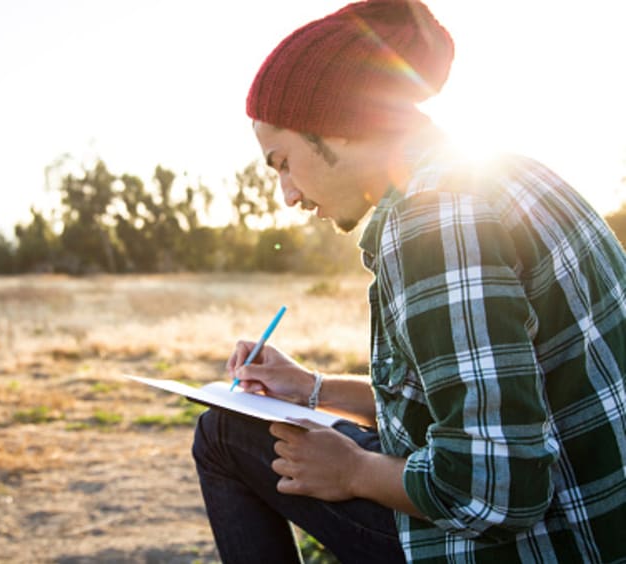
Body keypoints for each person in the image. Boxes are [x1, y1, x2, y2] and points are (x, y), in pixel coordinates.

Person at [192, 1, 626, 562]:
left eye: (282, 162)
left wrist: (355, 471)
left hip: (545, 544)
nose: (289, 194)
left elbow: (494, 491)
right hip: (595, 510)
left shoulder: (434, 222)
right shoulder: (512, 174)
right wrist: (312, 389)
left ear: (335, 127)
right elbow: (471, 405)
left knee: (224, 435)